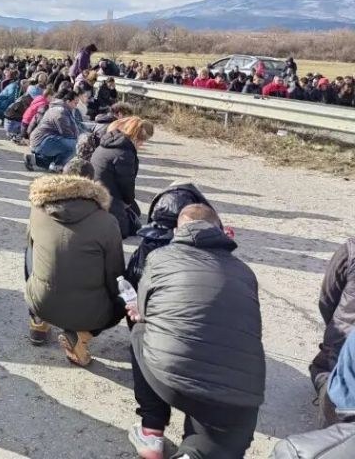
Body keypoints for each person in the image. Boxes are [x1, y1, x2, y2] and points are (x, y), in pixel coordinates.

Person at [127, 204, 265, 459]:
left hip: (172, 376)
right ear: (221, 229)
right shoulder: (245, 272)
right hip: (240, 392)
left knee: (141, 330)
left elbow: (143, 311)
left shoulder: (159, 258)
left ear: (178, 230)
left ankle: (151, 430)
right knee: (208, 449)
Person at [24, 173, 125, 364]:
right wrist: (118, 304)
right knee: (121, 293)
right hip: (89, 313)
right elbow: (115, 273)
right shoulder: (107, 221)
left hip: (41, 302)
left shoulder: (37, 211)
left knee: (31, 249)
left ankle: (38, 321)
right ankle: (82, 335)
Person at [91, 116, 154, 238]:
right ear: (136, 138)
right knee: (125, 229)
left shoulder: (108, 142)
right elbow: (126, 184)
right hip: (107, 195)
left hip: (99, 189)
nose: (142, 145)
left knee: (135, 212)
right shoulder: (125, 153)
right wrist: (128, 202)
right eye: (142, 140)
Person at [310, 238, 355, 396]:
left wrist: (335, 332)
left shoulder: (349, 250)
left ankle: (331, 394)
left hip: (343, 348)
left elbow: (327, 300)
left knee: (320, 369)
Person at [25, 90, 81, 172]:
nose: (76, 106)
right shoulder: (60, 111)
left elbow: (75, 126)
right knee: (73, 145)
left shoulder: (64, 109)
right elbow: (67, 133)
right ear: (68, 101)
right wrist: (80, 139)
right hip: (42, 141)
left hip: (44, 140)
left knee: (65, 147)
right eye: (75, 103)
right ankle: (57, 167)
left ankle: (32, 159)